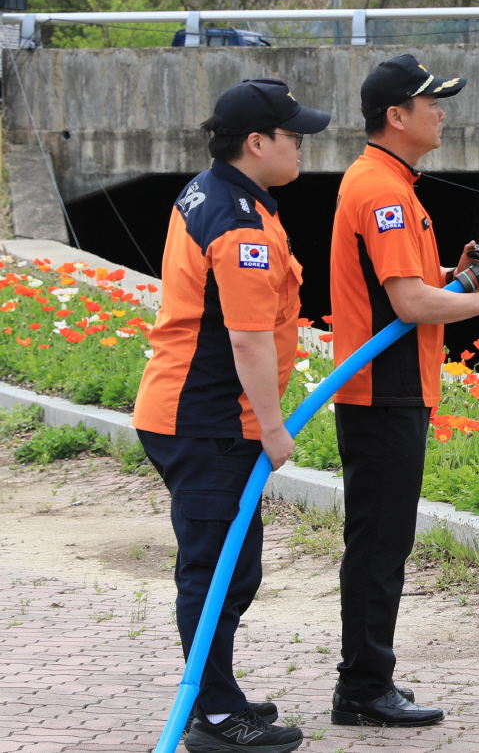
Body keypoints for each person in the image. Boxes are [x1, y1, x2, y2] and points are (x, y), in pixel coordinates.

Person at [327, 54, 479, 727]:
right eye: (431, 103)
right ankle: (362, 689)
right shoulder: (383, 191)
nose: (441, 113)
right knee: (379, 546)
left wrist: (457, 275)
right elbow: (410, 304)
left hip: (388, 390)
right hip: (384, 392)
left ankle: (366, 680)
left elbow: (405, 285)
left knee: (381, 541)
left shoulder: (386, 182)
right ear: (397, 115)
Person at [133, 79, 331, 753]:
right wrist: (273, 428)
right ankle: (216, 716)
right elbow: (246, 338)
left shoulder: (215, 192)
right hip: (209, 420)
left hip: (194, 413)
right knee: (215, 570)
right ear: (256, 142)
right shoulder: (240, 224)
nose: (301, 147)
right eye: (293, 136)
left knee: (229, 567)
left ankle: (216, 695)